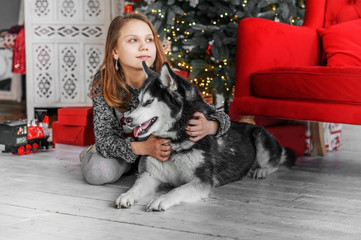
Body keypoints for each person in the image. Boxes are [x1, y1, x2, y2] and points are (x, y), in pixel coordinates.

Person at [80, 12, 231, 185]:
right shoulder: (104, 83)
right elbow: (105, 139)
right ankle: (93, 156)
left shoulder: (166, 83)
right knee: (97, 172)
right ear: (115, 51)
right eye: (133, 40)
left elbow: (221, 117)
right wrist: (141, 148)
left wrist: (210, 126)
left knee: (160, 174)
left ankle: (137, 167)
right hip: (122, 150)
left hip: (155, 151)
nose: (144, 47)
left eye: (149, 40)